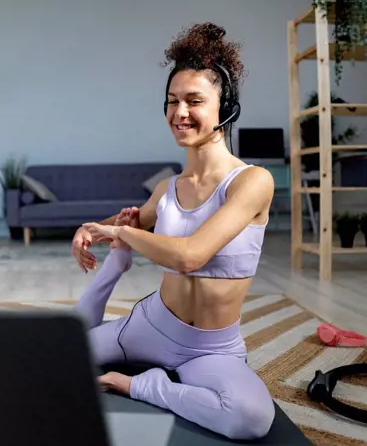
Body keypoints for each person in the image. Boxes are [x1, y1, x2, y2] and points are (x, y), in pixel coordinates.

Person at [71, 22, 276, 441]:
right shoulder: (168, 189)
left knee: (251, 420)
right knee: (59, 357)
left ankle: (134, 385)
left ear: (227, 107)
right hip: (149, 326)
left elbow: (189, 255)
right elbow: (128, 225)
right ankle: (115, 277)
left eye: (194, 101)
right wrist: (93, 229)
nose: (180, 113)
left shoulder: (251, 182)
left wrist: (124, 236)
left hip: (210, 348)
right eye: (172, 101)